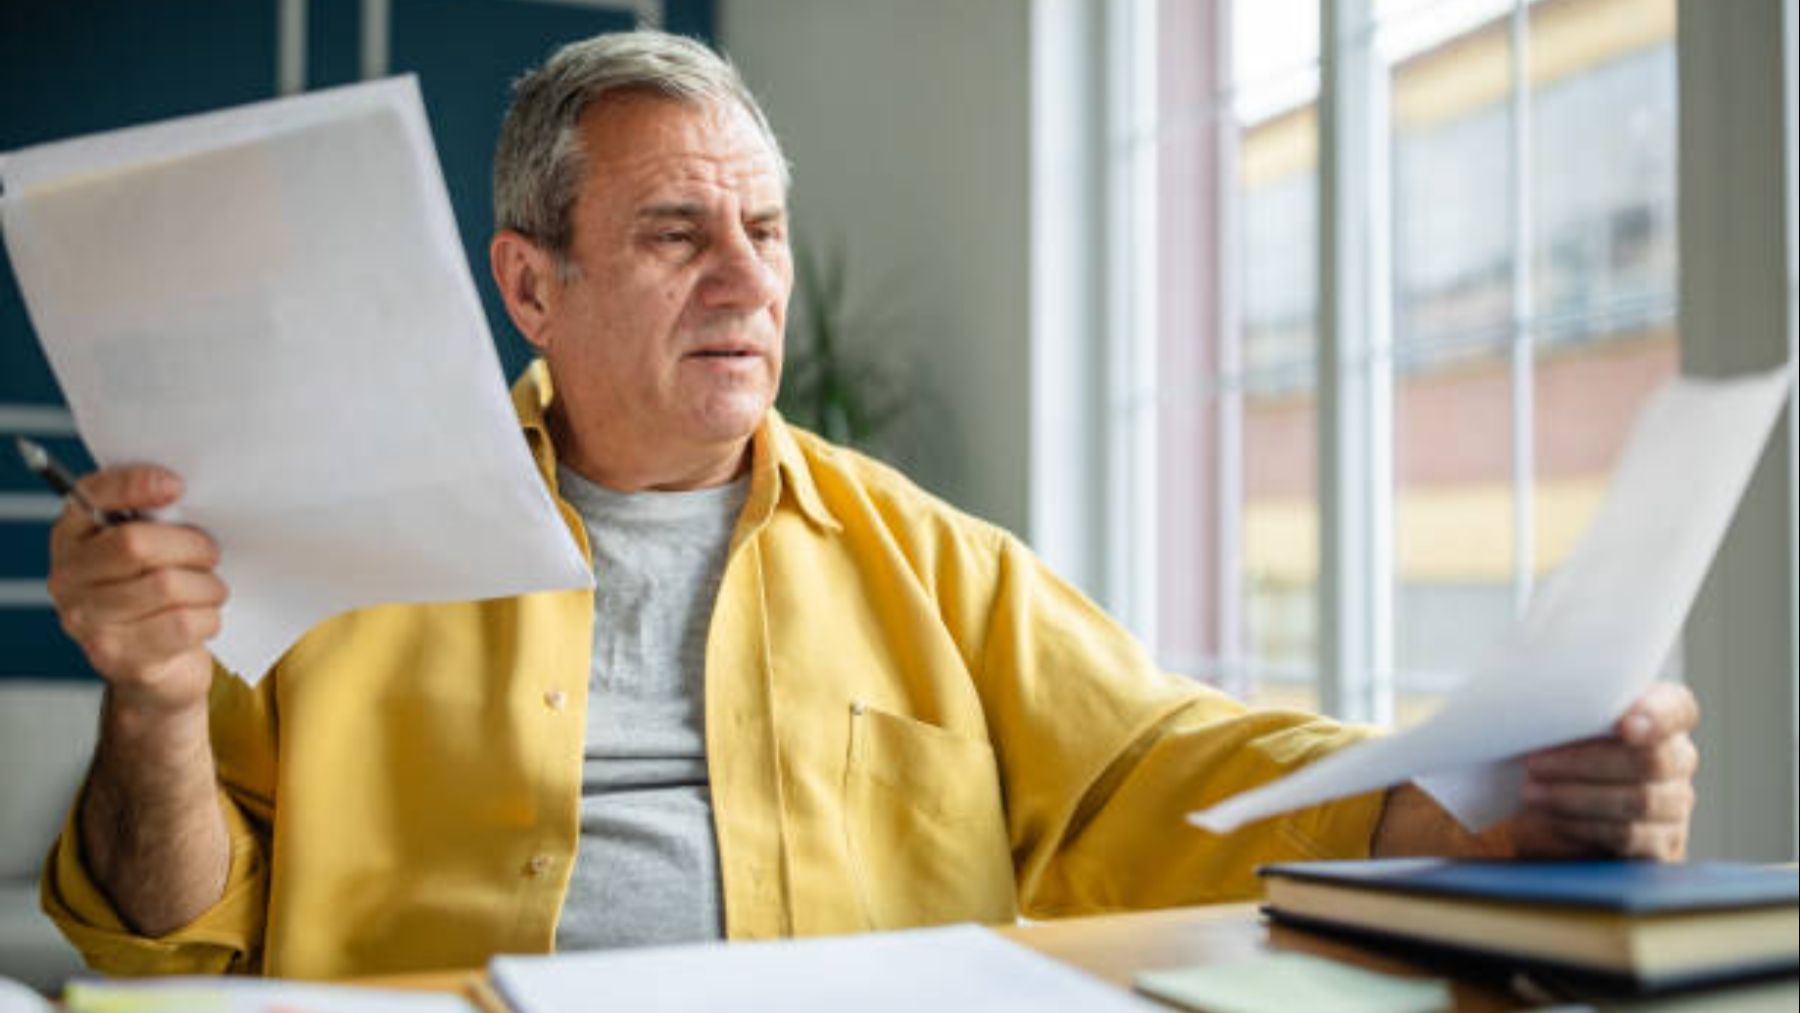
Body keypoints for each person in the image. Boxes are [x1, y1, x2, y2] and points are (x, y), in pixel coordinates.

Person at [39, 31, 1699, 980]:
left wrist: (1480, 805)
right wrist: (158, 699)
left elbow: (1170, 767)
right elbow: (164, 942)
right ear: (531, 286)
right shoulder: (331, 554)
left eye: (766, 227)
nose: (753, 278)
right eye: (682, 229)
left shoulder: (925, 557)